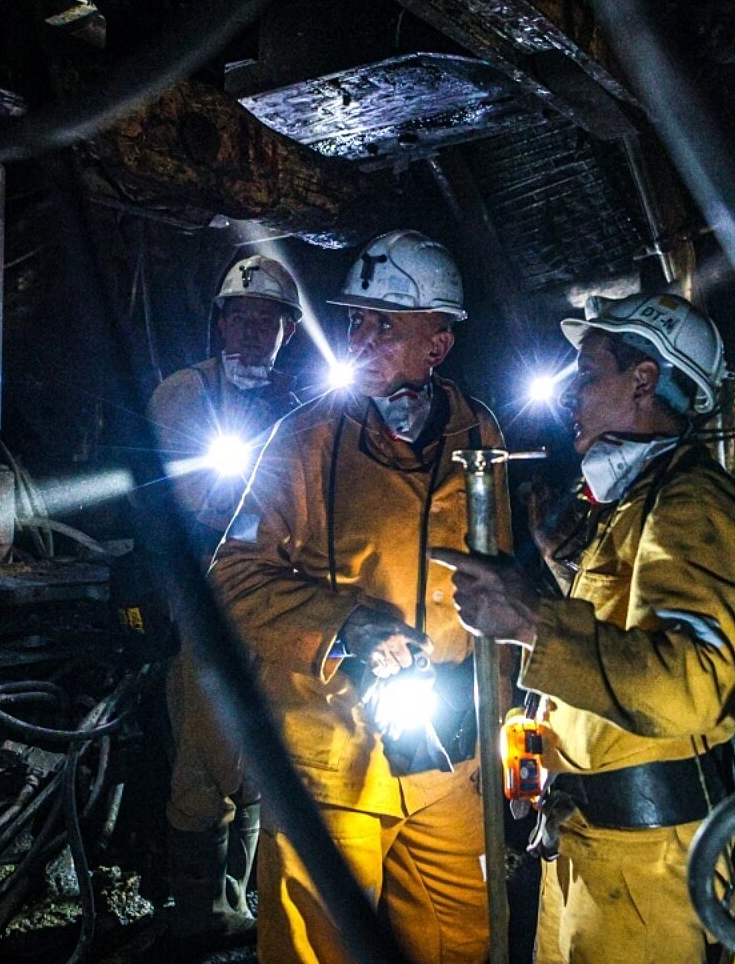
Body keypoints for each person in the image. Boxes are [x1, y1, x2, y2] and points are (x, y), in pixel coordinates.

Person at [434, 293, 735, 963]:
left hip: (650, 872)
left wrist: (532, 619)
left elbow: (692, 685)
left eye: (587, 374)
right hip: (586, 847)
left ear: (643, 380)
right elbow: (617, 643)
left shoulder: (693, 501)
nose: (572, 395)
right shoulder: (635, 504)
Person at [211, 229, 510, 964]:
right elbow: (235, 574)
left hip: (449, 759)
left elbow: (498, 584)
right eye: (355, 321)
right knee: (318, 949)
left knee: (463, 943)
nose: (360, 339)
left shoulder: (480, 435)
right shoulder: (305, 437)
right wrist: (348, 628)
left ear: (438, 344)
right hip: (332, 758)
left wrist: (498, 724)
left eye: (385, 325)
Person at [147, 252, 302, 940]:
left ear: (287, 332)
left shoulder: (298, 403)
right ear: (219, 323)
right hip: (205, 602)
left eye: (267, 321)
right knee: (205, 757)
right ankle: (201, 913)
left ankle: (245, 900)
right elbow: (200, 501)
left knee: (264, 758)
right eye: (240, 318)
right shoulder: (185, 394)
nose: (251, 333)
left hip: (278, 602)